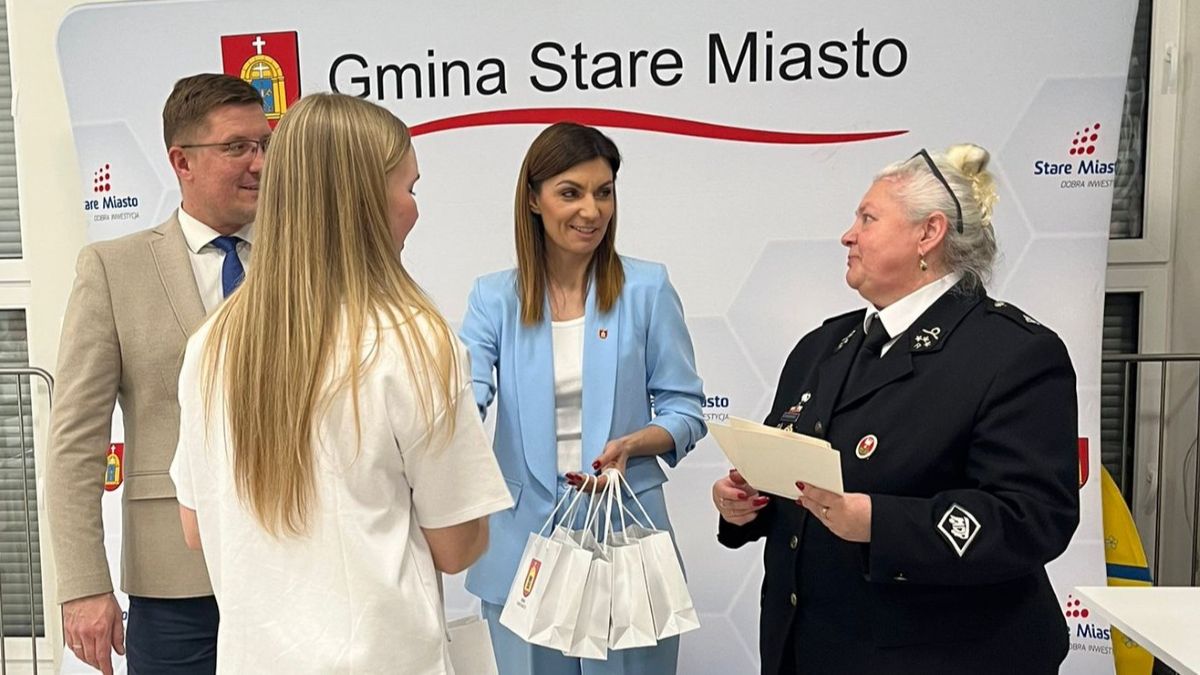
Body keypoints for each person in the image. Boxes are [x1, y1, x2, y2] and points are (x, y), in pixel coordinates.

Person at [168, 92, 513, 673]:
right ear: (365, 200)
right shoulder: (413, 343)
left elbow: (196, 527)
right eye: (410, 188)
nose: (415, 210)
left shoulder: (212, 346)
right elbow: (457, 547)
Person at [713, 144, 1080, 674]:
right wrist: (747, 504)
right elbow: (791, 482)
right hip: (810, 650)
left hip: (947, 658)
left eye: (868, 218)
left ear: (928, 233)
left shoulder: (1014, 353)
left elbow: (1032, 518)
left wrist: (879, 523)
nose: (848, 235)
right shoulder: (822, 346)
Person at [460, 122, 706, 674]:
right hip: (520, 545)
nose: (591, 211)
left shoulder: (647, 288)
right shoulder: (493, 297)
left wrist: (635, 443)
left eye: (604, 192)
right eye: (570, 192)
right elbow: (464, 397)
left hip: (626, 532)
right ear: (533, 199)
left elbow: (685, 410)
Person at [45, 73, 268, 674]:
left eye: (264, 144)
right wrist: (84, 584)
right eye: (237, 147)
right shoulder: (113, 269)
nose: (258, 163)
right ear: (181, 161)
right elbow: (75, 441)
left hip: (295, 567)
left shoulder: (304, 262)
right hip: (173, 585)